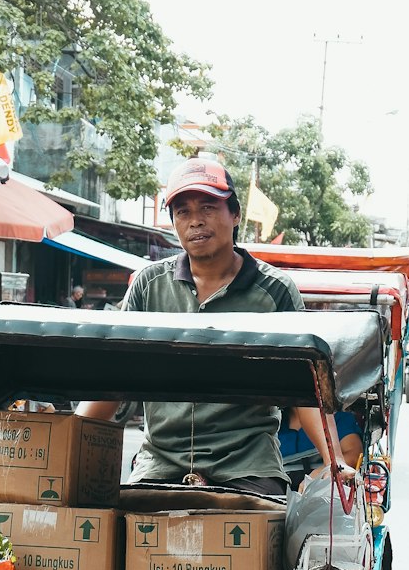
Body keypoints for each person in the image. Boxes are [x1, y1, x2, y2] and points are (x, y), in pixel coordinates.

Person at [77, 157, 351, 493]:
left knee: (270, 536)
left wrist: (334, 459)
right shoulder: (149, 286)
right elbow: (111, 379)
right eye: (183, 212)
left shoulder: (275, 290)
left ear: (234, 214)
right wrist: (65, 445)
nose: (195, 222)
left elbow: (305, 389)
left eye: (208, 207)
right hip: (162, 461)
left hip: (248, 463)